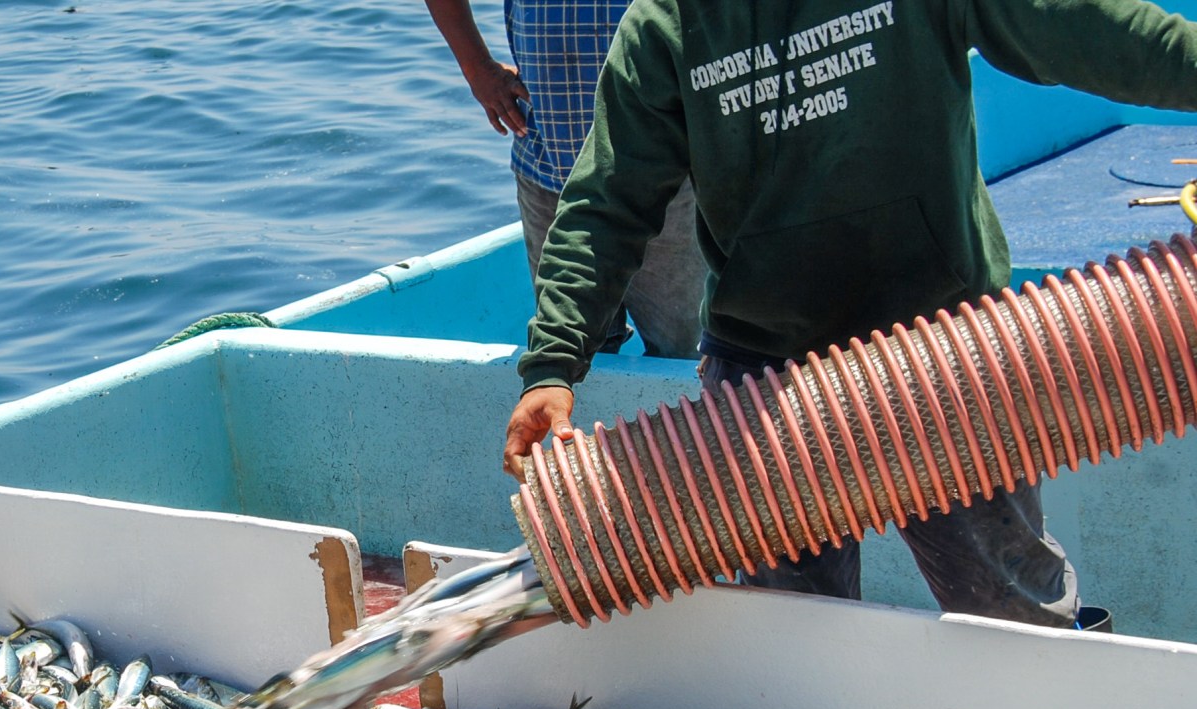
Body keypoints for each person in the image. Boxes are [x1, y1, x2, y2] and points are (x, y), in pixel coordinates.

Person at [502, 0, 1197, 628]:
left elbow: (1083, 27)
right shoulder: (665, 25)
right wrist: (553, 363)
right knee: (803, 640)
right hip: (770, 384)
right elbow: (607, 201)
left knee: (1014, 615)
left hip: (945, 353)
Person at [424, 0, 705, 359]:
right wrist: (476, 68)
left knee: (684, 354)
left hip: (665, 173)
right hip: (549, 166)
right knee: (570, 352)